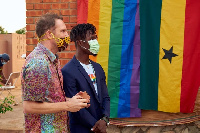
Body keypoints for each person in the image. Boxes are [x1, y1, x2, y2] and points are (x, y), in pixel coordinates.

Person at [21, 13, 90, 133]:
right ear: (49, 34)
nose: (67, 35)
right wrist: (68, 106)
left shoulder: (52, 59)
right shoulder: (39, 62)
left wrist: (73, 101)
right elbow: (29, 106)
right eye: (62, 31)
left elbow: (49, 100)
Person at [62, 23, 110, 133]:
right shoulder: (68, 71)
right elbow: (74, 107)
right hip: (82, 128)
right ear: (80, 42)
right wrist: (96, 126)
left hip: (101, 126)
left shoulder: (98, 68)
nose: (95, 42)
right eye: (91, 39)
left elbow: (106, 97)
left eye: (95, 38)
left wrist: (104, 119)